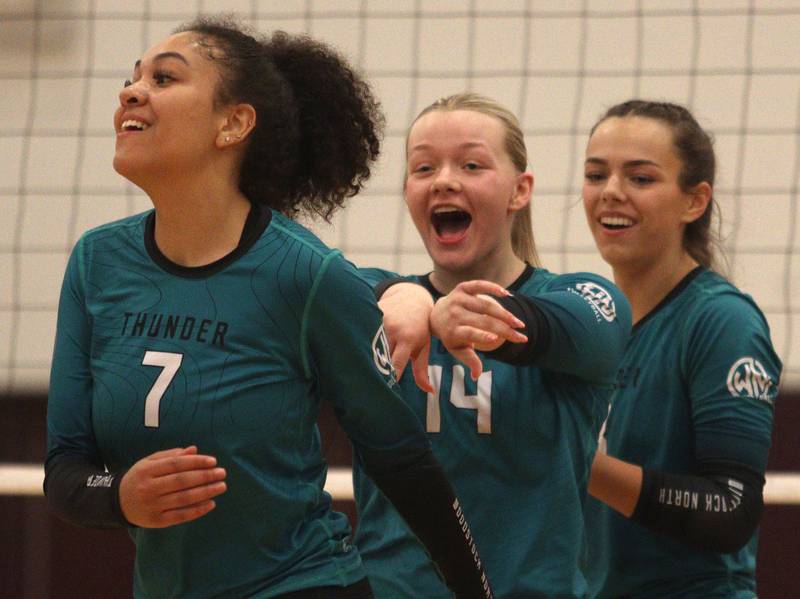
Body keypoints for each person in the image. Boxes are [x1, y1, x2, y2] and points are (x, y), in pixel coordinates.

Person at [43, 17, 494, 599]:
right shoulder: (97, 262)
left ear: (233, 124)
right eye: (132, 79)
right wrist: (120, 494)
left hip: (301, 583)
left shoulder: (304, 275)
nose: (131, 92)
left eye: (164, 78)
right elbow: (66, 470)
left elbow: (403, 462)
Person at [351, 92, 632, 598]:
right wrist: (401, 294)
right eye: (423, 167)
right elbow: (311, 284)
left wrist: (448, 315)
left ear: (519, 191)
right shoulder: (375, 304)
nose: (444, 180)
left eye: (472, 164)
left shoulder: (584, 298)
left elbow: (583, 327)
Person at [581, 100, 782, 597]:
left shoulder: (720, 321)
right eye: (595, 174)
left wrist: (578, 461)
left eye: (640, 179)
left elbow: (732, 510)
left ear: (694, 202)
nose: (611, 192)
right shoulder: (586, 320)